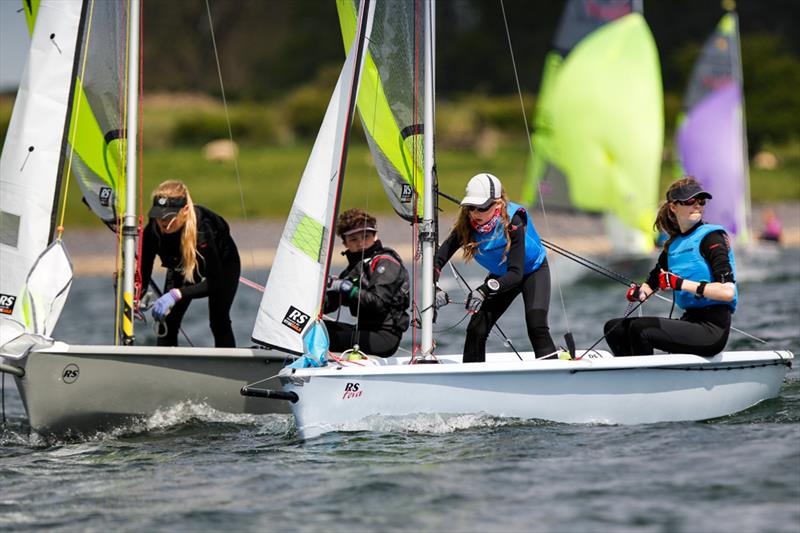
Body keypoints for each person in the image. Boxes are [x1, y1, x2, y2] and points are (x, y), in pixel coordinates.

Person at [604, 177, 737, 357]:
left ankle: (645, 380)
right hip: (690, 321)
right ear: (674, 207)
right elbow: (650, 285)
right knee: (614, 328)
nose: (697, 205)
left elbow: (727, 292)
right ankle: (631, 376)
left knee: (641, 329)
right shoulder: (672, 247)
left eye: (701, 201)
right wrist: (639, 293)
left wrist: (681, 283)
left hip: (712, 328)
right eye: (690, 201)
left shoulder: (711, 238)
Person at [434, 173, 557, 363]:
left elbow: (516, 274)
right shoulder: (467, 226)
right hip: (501, 275)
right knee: (476, 328)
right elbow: (438, 259)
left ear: (498, 204)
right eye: (470, 207)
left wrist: (483, 291)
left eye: (481, 207)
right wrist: (434, 286)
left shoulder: (514, 222)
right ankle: (472, 381)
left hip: (533, 271)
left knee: (536, 325)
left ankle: (554, 376)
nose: (475, 213)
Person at [140, 180, 241, 347]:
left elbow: (215, 283)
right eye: (158, 215)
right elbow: (144, 268)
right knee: (168, 321)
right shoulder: (153, 229)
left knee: (218, 320)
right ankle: (166, 368)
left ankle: (226, 366)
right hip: (182, 266)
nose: (163, 222)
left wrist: (176, 294)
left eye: (169, 216)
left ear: (185, 210)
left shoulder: (202, 229)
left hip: (222, 267)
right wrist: (137, 295)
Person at [323, 208, 410, 357]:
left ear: (375, 236)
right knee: (309, 328)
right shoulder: (352, 270)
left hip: (384, 337)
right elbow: (331, 303)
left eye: (366, 236)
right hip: (363, 331)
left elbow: (378, 303)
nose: (361, 243)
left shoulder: (386, 262)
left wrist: (346, 288)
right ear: (345, 243)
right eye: (354, 239)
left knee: (324, 337)